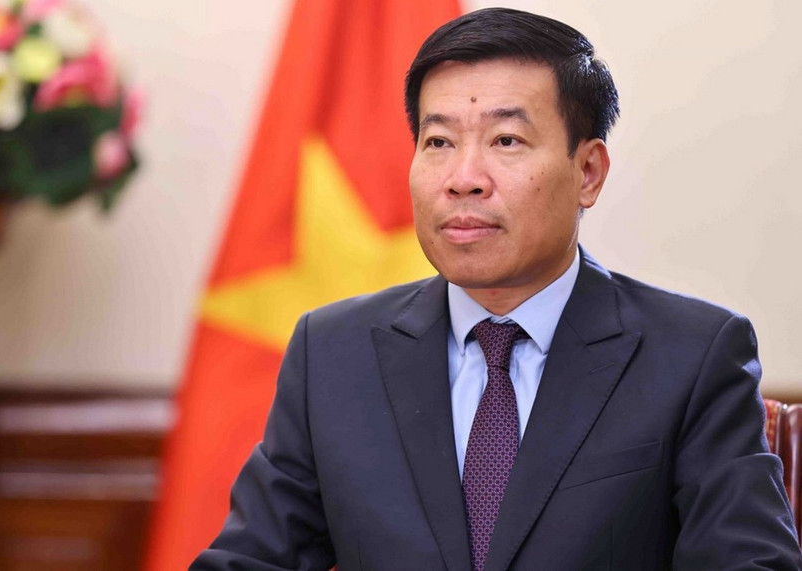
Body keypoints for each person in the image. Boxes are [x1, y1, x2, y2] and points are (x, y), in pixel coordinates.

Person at [191, 8, 801, 570]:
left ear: (588, 172)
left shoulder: (692, 356)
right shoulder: (332, 352)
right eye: (438, 142)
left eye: (506, 140)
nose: (463, 179)